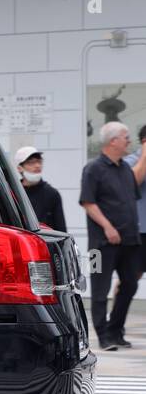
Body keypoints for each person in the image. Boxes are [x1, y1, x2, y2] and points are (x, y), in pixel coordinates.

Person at [80, 121, 146, 350]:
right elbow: (88, 203)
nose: (129, 140)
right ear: (113, 141)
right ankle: (103, 336)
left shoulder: (126, 169)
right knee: (100, 290)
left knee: (130, 285)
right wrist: (108, 227)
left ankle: (116, 330)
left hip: (129, 241)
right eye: (126, 137)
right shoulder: (93, 169)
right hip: (101, 244)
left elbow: (131, 201)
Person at [15, 147, 65, 232]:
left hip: (46, 244)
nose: (37, 165)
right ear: (20, 168)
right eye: (31, 162)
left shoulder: (52, 194)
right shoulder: (13, 193)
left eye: (39, 161)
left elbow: (61, 229)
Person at [125, 124, 146, 279]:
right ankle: (119, 304)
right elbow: (132, 183)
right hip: (140, 232)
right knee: (131, 278)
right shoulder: (130, 162)